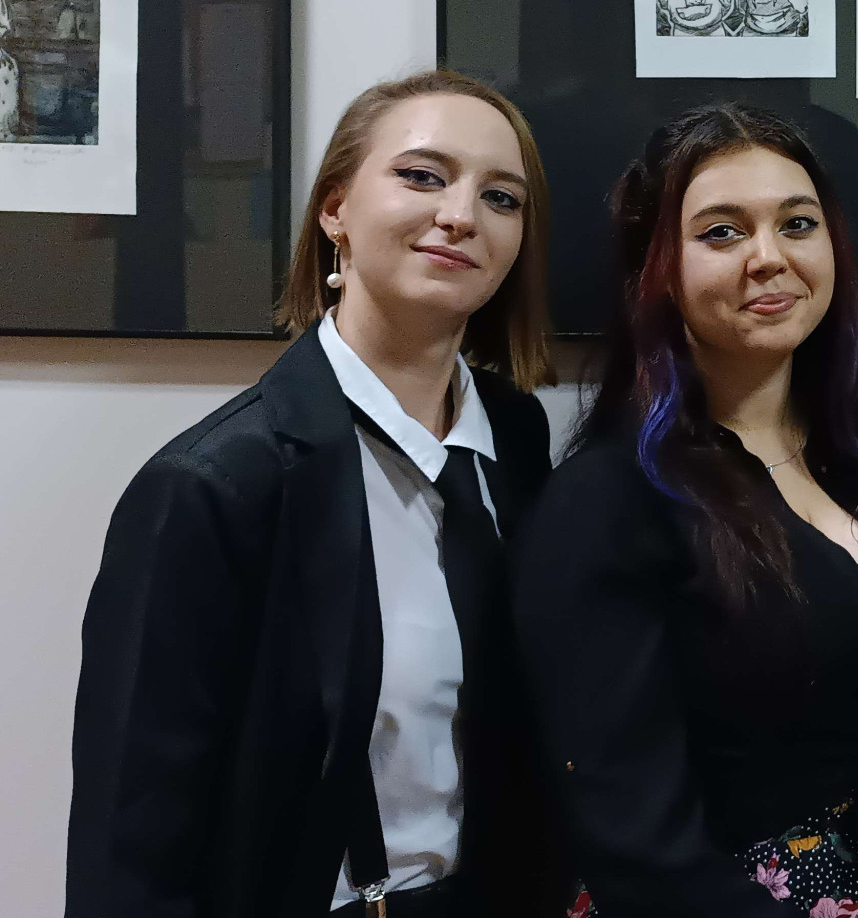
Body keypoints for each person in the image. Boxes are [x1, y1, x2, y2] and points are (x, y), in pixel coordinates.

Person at [66, 70, 563, 918]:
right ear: (335, 209)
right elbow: (130, 850)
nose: (461, 215)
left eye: (501, 197)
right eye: (422, 176)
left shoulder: (515, 439)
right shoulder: (212, 487)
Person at [514, 104, 858, 918]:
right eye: (722, 232)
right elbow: (634, 834)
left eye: (797, 224)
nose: (769, 257)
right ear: (657, 269)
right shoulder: (604, 501)